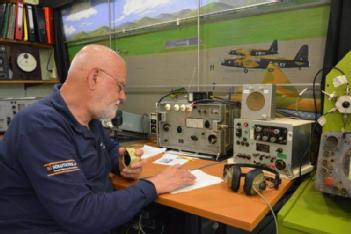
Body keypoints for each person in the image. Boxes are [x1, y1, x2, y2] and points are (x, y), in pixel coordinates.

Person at [0, 44, 196, 233]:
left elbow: (108, 152)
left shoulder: (89, 119)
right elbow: (80, 214)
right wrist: (154, 185)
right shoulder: (40, 125)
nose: (123, 96)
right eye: (120, 86)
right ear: (93, 78)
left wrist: (121, 163)